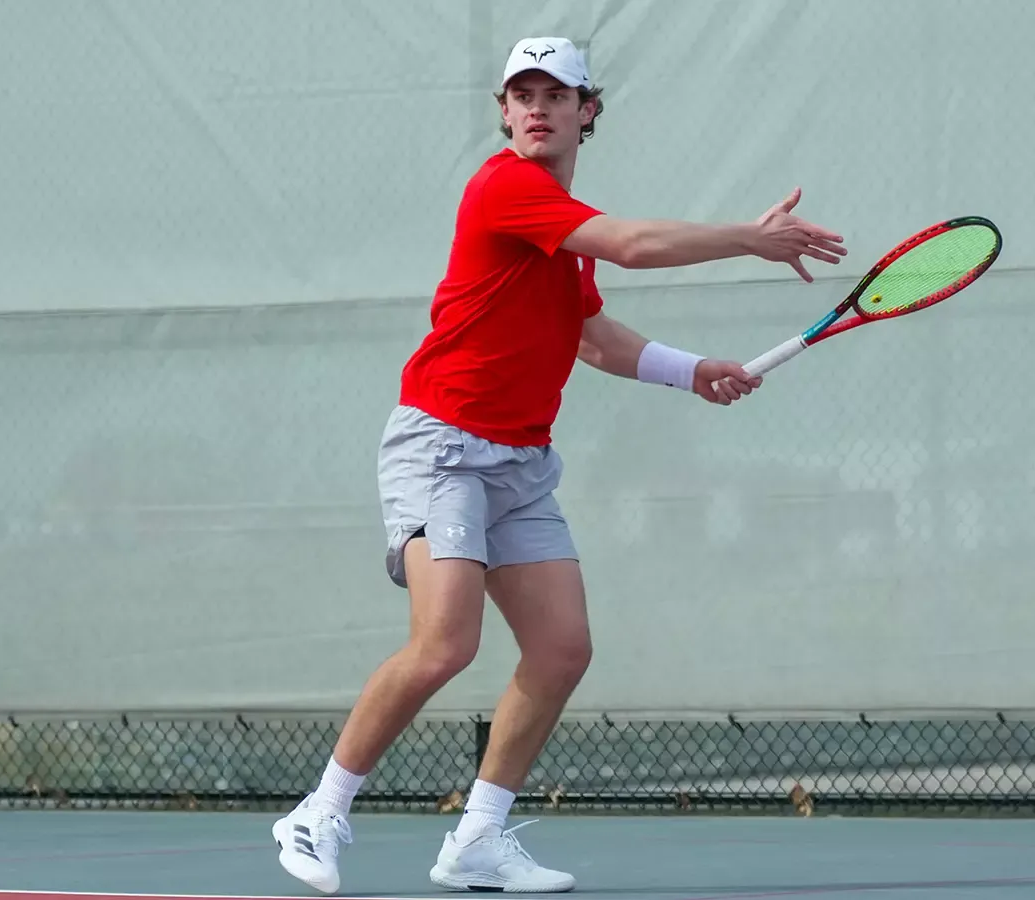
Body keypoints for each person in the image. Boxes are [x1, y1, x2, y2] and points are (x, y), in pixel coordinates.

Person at [272, 35, 846, 895]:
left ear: (588, 111)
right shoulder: (508, 188)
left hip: (519, 461)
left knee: (561, 648)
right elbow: (637, 246)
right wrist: (747, 238)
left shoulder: (563, 231)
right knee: (444, 645)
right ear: (504, 113)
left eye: (557, 92)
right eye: (522, 93)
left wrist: (693, 371)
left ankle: (477, 841)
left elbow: (593, 337)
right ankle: (319, 812)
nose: (537, 106)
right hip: (443, 446)